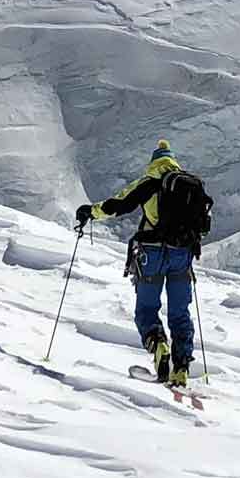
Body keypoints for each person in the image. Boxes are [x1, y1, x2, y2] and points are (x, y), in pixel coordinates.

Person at [76, 140, 212, 386]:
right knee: (180, 313)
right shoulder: (191, 186)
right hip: (182, 255)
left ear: (154, 162)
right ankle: (180, 368)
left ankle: (159, 344)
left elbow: (117, 204)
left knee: (147, 310)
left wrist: (90, 212)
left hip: (151, 254)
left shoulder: (149, 183)